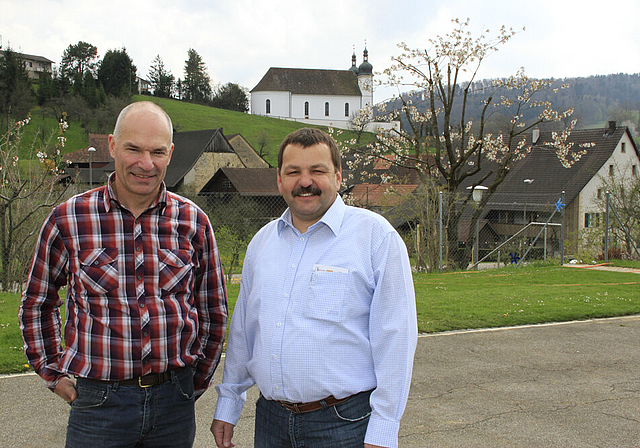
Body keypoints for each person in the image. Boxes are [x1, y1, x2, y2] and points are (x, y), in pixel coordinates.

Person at [19, 101, 228, 447]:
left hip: (174, 402)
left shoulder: (194, 222)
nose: (146, 164)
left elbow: (213, 312)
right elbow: (37, 302)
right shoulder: (69, 219)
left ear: (170, 153)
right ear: (113, 146)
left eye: (157, 152)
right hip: (99, 404)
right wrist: (52, 372)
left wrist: (196, 381)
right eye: (133, 149)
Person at [211, 128, 417, 448]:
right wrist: (229, 402)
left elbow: (396, 338)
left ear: (337, 176)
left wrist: (384, 428)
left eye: (317, 171)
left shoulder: (376, 238)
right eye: (293, 172)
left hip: (344, 425)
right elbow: (244, 332)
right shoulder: (262, 243)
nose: (305, 181)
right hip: (271, 421)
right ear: (279, 180)